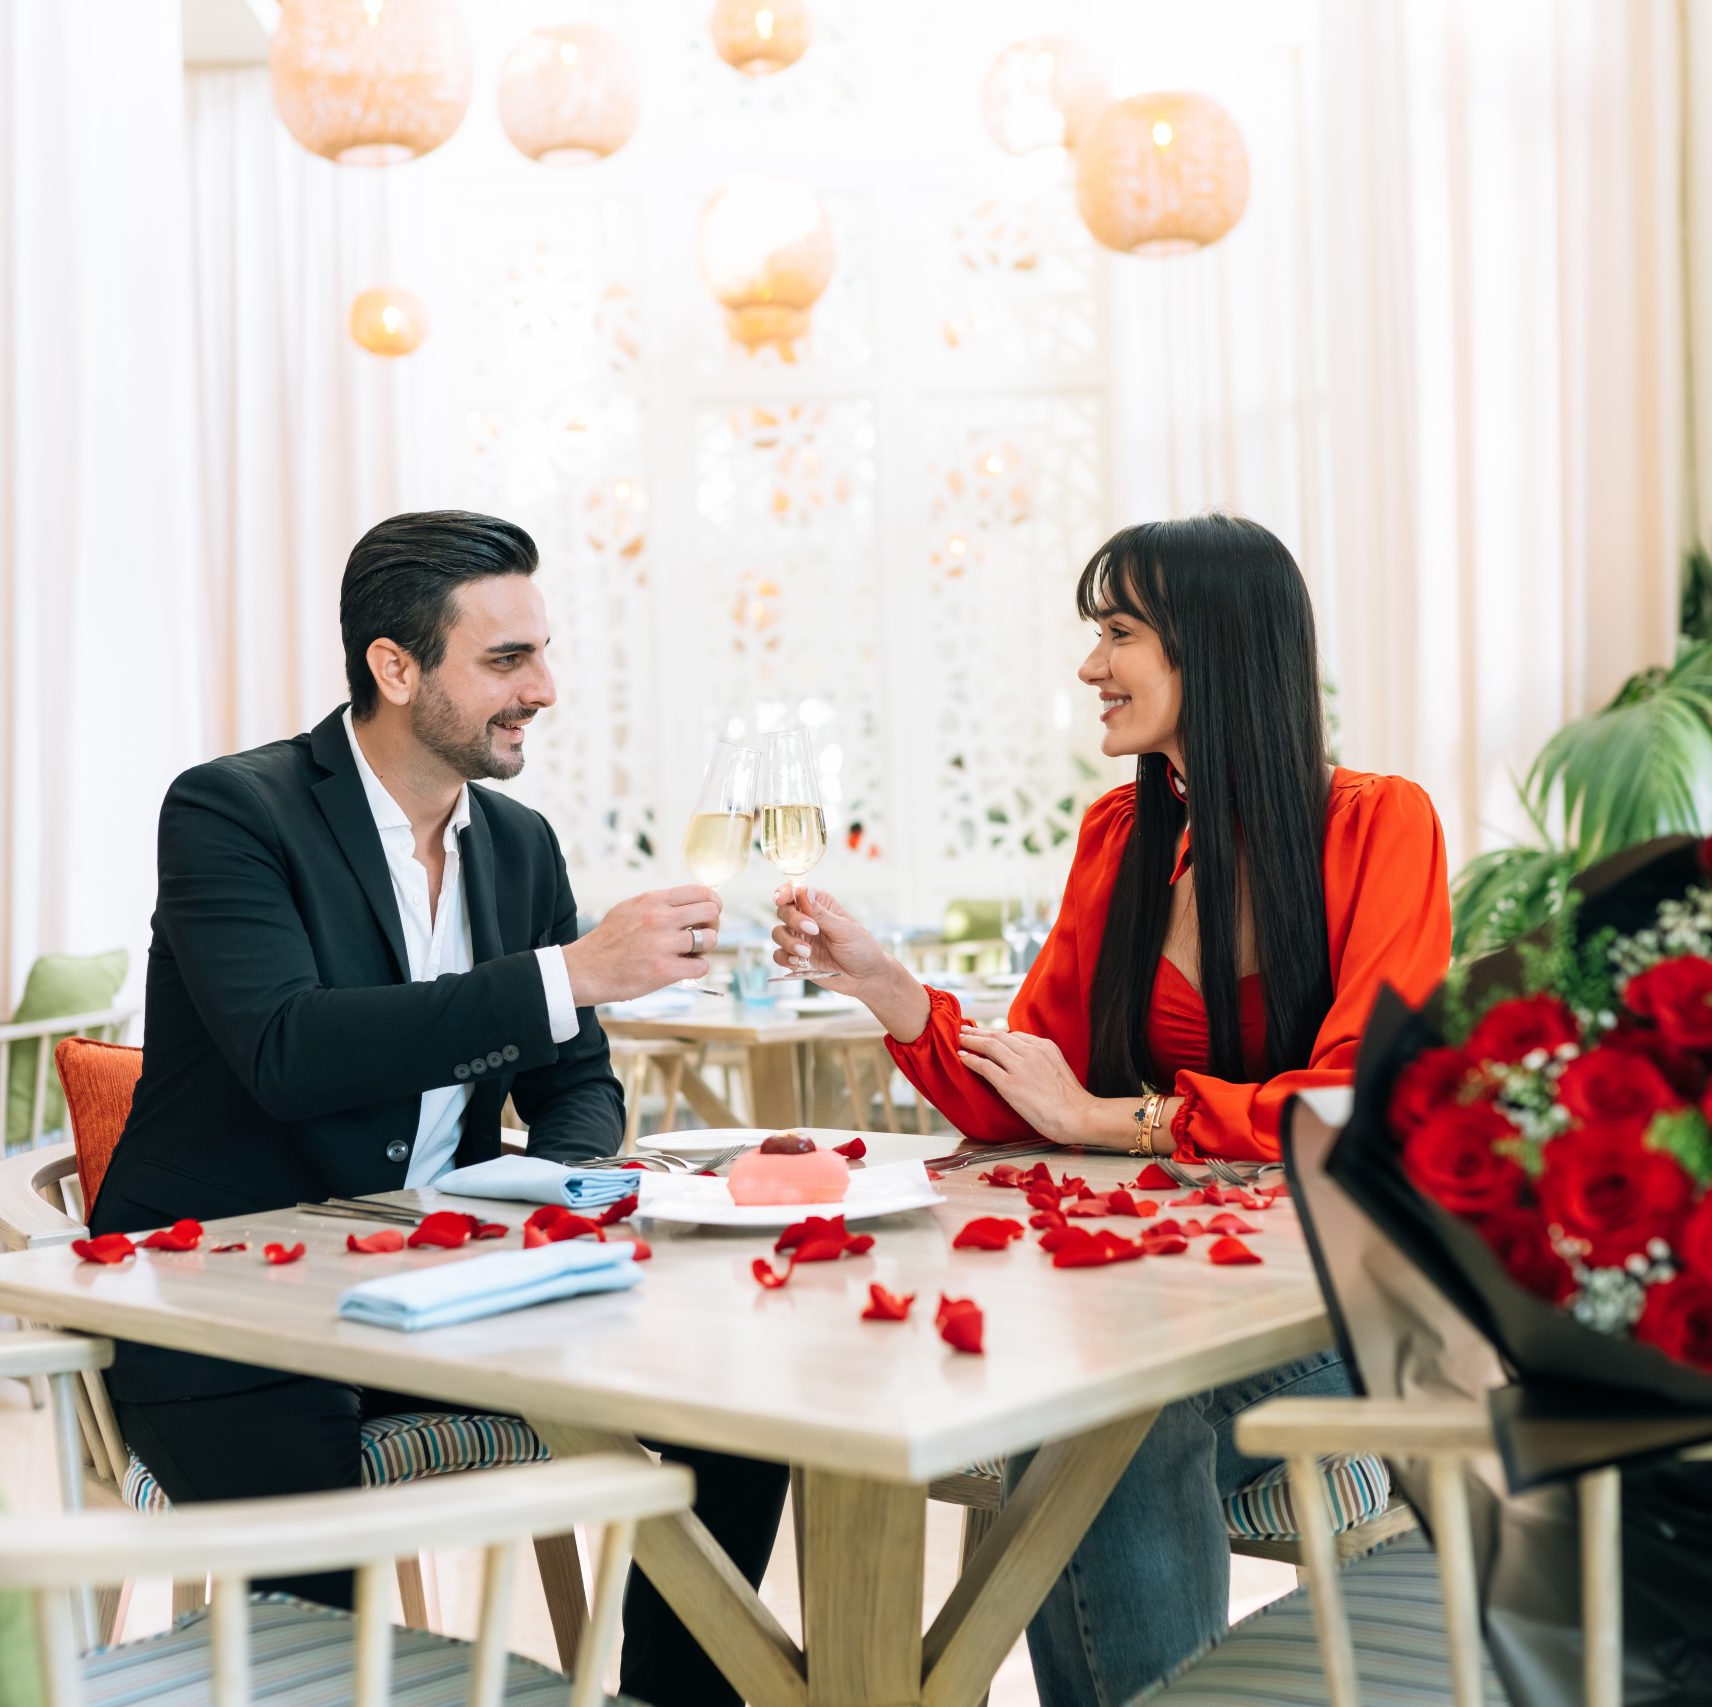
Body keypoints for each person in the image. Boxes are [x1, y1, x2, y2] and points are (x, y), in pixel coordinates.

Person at [91, 509, 786, 1707]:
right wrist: (566, 973)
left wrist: (555, 1201)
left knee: (744, 1396)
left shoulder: (518, 845)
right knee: (319, 1579)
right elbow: (287, 1049)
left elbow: (576, 1083)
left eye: (543, 654)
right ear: (395, 668)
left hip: (445, 1293)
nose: (544, 690)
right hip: (227, 1300)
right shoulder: (230, 811)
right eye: (507, 660)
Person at [772, 512, 1454, 1706]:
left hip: (1339, 1310)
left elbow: (1351, 1103)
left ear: (1216, 646)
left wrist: (1111, 1123)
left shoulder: (1378, 825)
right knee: (1096, 1394)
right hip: (1161, 1294)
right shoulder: (1122, 834)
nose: (1091, 666)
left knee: (1110, 1412)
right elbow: (1028, 1092)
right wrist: (887, 990)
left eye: (1120, 633)